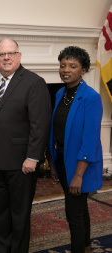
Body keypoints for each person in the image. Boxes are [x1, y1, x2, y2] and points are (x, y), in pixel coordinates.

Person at [0, 38, 51, 252]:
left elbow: (40, 124)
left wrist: (33, 157)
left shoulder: (34, 82)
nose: (6, 58)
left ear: (19, 56)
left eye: (11, 53)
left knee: (19, 214)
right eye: (2, 54)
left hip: (22, 162)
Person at [49, 46, 103, 253]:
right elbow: (57, 129)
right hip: (62, 159)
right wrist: (54, 162)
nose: (66, 70)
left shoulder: (91, 97)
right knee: (79, 208)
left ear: (83, 70)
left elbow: (89, 140)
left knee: (74, 212)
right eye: (63, 65)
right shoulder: (60, 93)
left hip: (80, 164)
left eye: (73, 66)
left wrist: (78, 175)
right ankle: (86, 247)